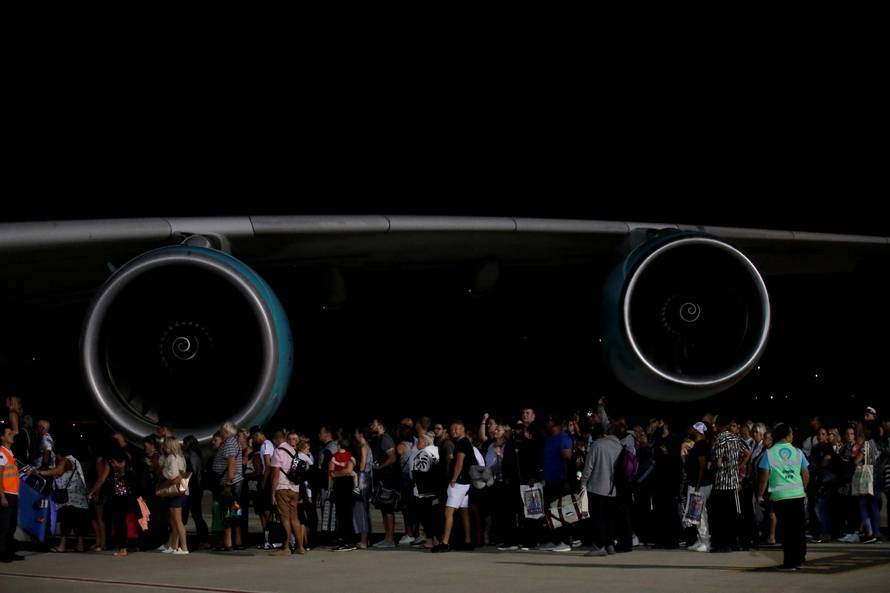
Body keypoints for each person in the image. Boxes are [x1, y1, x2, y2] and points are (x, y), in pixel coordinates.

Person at [757, 423, 809, 571]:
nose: (793, 436)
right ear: (786, 435)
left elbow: (764, 478)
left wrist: (760, 494)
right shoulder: (798, 452)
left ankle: (790, 562)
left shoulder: (769, 453)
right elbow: (806, 474)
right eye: (791, 434)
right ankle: (799, 559)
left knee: (786, 530)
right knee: (798, 529)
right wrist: (802, 488)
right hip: (798, 495)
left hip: (781, 497)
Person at [33, 441, 89, 553]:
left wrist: (40, 472)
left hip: (68, 497)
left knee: (65, 520)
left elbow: (58, 471)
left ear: (59, 453)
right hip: (79, 497)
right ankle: (80, 545)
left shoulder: (65, 459)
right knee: (78, 521)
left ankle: (62, 546)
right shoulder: (74, 460)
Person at [0, 426, 23, 562]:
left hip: (13, 493)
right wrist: (2, 496)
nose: (12, 434)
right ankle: (2, 553)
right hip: (6, 494)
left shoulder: (10, 452)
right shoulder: (1, 452)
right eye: (9, 433)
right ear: (2, 438)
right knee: (4, 526)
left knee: (12, 525)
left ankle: (9, 551)